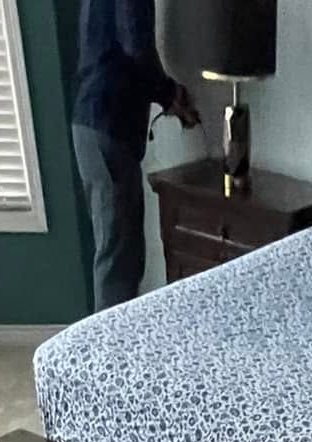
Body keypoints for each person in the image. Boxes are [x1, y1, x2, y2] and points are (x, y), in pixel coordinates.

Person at [72, 0, 199, 310]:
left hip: (94, 123)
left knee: (120, 249)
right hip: (107, 125)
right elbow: (136, 46)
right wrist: (169, 93)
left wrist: (166, 94)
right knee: (118, 256)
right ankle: (111, 351)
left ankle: (115, 338)